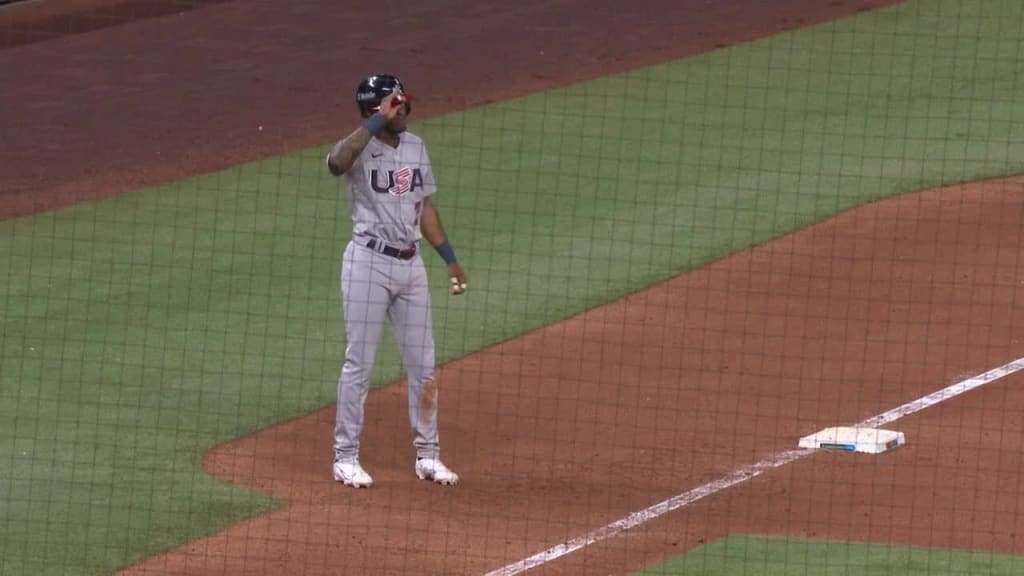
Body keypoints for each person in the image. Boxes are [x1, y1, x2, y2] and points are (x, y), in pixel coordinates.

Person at [325, 74, 466, 488]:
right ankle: (345, 457)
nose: (403, 109)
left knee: (424, 367)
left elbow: (423, 207)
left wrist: (449, 259)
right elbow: (336, 162)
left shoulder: (415, 147)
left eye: (403, 102)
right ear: (376, 109)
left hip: (411, 265)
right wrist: (372, 123)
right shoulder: (359, 147)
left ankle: (428, 455)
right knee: (359, 365)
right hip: (367, 262)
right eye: (395, 103)